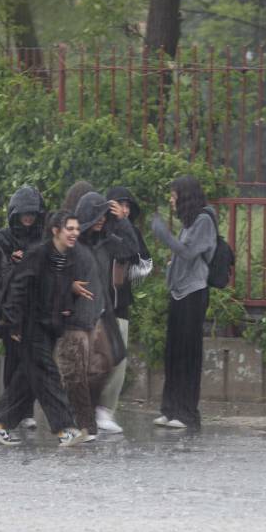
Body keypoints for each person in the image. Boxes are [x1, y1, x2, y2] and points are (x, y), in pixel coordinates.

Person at [0, 212, 92, 447]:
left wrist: (69, 295)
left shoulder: (65, 257)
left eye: (76, 229)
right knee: (48, 375)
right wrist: (13, 322)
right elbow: (17, 287)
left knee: (26, 381)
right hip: (29, 325)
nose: (74, 233)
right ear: (55, 230)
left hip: (49, 325)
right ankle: (65, 429)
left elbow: (52, 287)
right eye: (69, 228)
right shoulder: (38, 254)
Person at [54, 190, 129, 441]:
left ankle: (88, 419)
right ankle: (77, 423)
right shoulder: (74, 244)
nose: (101, 220)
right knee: (77, 371)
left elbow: (130, 250)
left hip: (101, 313)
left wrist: (122, 222)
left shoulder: (107, 242)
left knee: (106, 363)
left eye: (104, 216)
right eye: (96, 215)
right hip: (77, 318)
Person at [149, 175, 217, 430]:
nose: (171, 200)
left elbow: (187, 252)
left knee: (188, 355)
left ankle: (187, 413)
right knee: (173, 353)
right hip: (178, 291)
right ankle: (170, 408)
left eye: (174, 195)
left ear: (185, 197)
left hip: (194, 293)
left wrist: (163, 234)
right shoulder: (189, 222)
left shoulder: (204, 221)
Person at [87, 186, 146, 434]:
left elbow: (136, 254)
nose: (124, 209)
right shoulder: (98, 232)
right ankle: (86, 407)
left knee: (118, 358)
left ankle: (106, 410)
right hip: (92, 307)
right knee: (92, 359)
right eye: (118, 204)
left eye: (128, 206)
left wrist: (123, 223)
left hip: (119, 305)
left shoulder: (126, 232)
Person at [0, 185, 47, 430]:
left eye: (32, 214)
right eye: (24, 214)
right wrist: (11, 262)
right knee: (13, 359)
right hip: (12, 307)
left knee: (31, 361)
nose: (28, 219)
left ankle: (26, 411)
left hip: (35, 308)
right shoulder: (3, 239)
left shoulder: (43, 238)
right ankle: (10, 409)